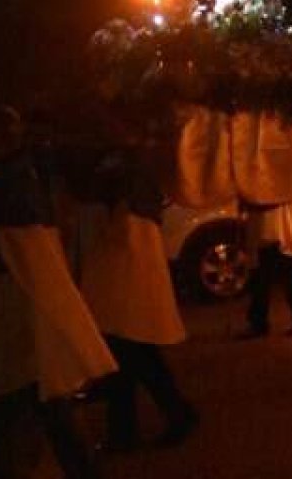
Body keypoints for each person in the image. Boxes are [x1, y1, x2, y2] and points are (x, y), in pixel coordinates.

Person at [0, 105, 116, 479]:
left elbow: (13, 253)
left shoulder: (6, 186)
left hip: (9, 309)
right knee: (44, 403)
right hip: (18, 307)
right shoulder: (23, 178)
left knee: (5, 406)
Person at [71, 143, 197, 451]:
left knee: (130, 353)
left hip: (123, 276)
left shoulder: (124, 173)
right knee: (134, 354)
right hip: (125, 275)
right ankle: (146, 424)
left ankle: (146, 425)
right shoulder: (132, 168)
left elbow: (118, 230)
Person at [237, 195, 292, 339]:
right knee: (261, 275)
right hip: (265, 223)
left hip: (284, 222)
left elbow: (285, 190)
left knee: (288, 272)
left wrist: (258, 201)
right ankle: (259, 322)